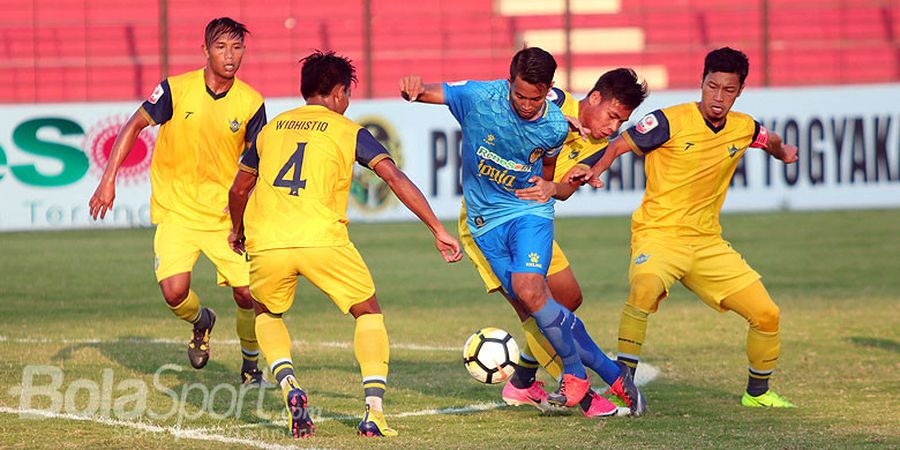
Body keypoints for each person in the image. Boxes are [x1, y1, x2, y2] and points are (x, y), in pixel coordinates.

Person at [228, 50, 462, 439]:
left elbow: (239, 188)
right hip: (322, 239)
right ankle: (373, 411)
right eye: (347, 94)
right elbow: (394, 178)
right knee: (367, 311)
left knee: (267, 313)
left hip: (267, 241)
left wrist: (237, 229)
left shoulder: (271, 130)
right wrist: (437, 227)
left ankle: (289, 386)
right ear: (338, 92)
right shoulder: (348, 129)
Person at [399, 47, 644, 416]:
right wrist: (417, 89)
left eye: (620, 122)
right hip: (486, 220)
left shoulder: (598, 148)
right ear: (592, 98)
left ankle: (524, 382)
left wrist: (562, 185)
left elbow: (559, 188)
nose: (612, 128)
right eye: (610, 116)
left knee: (566, 299)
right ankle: (589, 389)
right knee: (533, 304)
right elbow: (456, 93)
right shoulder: (554, 102)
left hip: (533, 214)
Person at [569, 47, 799, 408]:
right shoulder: (668, 122)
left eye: (727, 90)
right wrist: (593, 171)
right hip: (658, 235)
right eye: (712, 86)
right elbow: (617, 146)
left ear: (739, 91)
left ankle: (758, 393)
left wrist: (782, 151)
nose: (718, 97)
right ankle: (622, 383)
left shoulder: (743, 127)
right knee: (644, 287)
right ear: (702, 82)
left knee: (767, 314)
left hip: (707, 243)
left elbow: (765, 139)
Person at [88, 17, 267, 384]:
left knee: (248, 293)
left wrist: (252, 214)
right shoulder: (175, 89)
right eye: (221, 47)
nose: (230, 56)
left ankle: (251, 368)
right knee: (174, 293)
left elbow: (254, 165)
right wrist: (108, 179)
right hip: (177, 213)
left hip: (223, 218)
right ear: (205, 51)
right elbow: (134, 125)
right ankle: (201, 320)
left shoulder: (252, 102)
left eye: (237, 48)